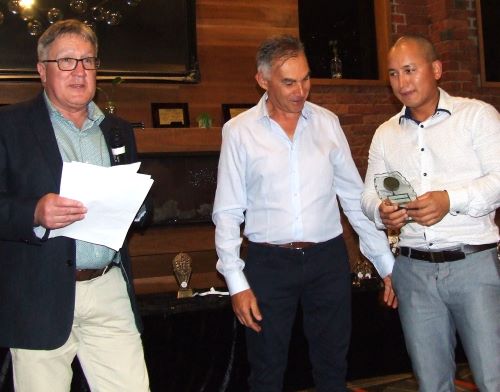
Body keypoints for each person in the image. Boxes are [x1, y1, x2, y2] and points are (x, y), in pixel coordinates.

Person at [212, 35, 396, 392]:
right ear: (262, 81)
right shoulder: (238, 132)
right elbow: (228, 212)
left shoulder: (328, 123)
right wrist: (236, 283)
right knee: (266, 372)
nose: (301, 90)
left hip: (327, 261)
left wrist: (387, 267)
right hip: (267, 264)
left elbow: (354, 200)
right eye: (289, 82)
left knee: (332, 368)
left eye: (306, 78)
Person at [0, 20, 150, 391]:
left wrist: (138, 207)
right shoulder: (10, 126)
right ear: (42, 70)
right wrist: (34, 212)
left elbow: (130, 201)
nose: (79, 71)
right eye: (66, 61)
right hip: (41, 293)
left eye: (88, 61)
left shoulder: (117, 130)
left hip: (108, 287)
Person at [361, 34, 500, 391]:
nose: (401, 82)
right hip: (413, 271)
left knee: (492, 377)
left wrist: (449, 199)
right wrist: (382, 212)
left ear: (436, 69)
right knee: (431, 383)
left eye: (410, 70)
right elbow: (368, 196)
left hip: (474, 266)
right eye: (393, 74)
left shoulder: (477, 117)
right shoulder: (385, 134)